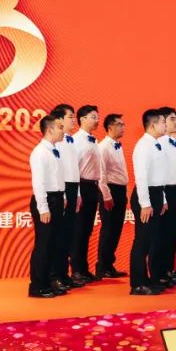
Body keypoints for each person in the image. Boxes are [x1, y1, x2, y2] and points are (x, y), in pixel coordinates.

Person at [130, 109, 169, 295]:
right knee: (142, 240)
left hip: (157, 193)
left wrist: (163, 199)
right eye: (162, 122)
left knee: (152, 239)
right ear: (153, 125)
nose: (165, 125)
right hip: (145, 195)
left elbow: (159, 175)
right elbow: (141, 177)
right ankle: (137, 283)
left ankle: (147, 280)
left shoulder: (156, 144)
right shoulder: (143, 146)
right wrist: (145, 203)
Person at [28, 114, 66, 298]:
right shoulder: (39, 152)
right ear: (49, 130)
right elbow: (39, 183)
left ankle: (49, 281)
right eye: (60, 127)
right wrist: (43, 208)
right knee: (43, 244)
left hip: (56, 199)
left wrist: (63, 196)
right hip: (46, 200)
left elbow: (58, 177)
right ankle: (37, 286)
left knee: (54, 243)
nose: (63, 131)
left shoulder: (54, 150)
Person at [51, 103, 82, 291]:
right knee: (59, 235)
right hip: (61, 189)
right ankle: (54, 276)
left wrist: (77, 193)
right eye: (70, 116)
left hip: (72, 188)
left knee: (68, 235)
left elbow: (74, 169)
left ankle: (64, 274)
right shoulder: (56, 141)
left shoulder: (70, 140)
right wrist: (63, 193)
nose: (73, 120)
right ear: (59, 120)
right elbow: (58, 171)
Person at [70, 104, 102, 284]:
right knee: (78, 230)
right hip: (81, 186)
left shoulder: (94, 141)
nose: (97, 120)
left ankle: (83, 268)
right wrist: (78, 193)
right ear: (82, 119)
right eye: (93, 117)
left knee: (87, 230)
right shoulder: (75, 141)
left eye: (97, 117)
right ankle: (76, 270)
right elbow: (74, 169)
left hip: (93, 187)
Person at [155, 107, 176, 289]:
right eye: (173, 119)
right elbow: (160, 173)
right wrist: (164, 198)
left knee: (173, 233)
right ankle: (160, 272)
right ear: (164, 123)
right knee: (163, 234)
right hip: (167, 191)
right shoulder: (160, 144)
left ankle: (168, 269)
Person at [96, 113, 128, 279]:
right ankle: (102, 266)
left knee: (115, 230)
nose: (123, 127)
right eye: (119, 124)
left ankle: (109, 265)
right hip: (110, 191)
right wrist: (107, 196)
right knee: (108, 230)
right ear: (110, 127)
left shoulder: (117, 146)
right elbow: (101, 174)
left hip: (120, 190)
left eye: (123, 124)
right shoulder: (103, 147)